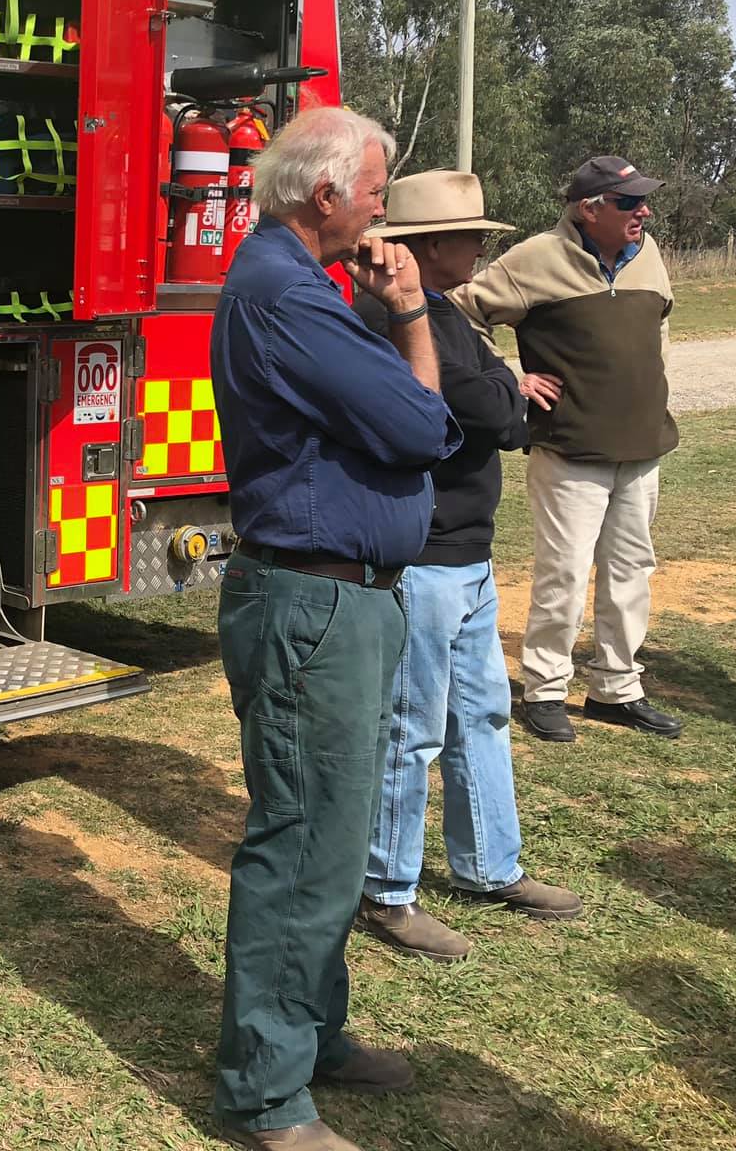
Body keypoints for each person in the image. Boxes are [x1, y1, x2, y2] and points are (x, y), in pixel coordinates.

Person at [210, 107, 462, 1151]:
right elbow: (421, 427)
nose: (380, 206)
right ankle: (266, 1095)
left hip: (332, 599)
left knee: (328, 840)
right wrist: (408, 320)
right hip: (314, 606)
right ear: (324, 199)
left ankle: (311, 1038)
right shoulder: (281, 292)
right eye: (373, 188)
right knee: (303, 845)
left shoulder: (295, 285)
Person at [349, 171, 583, 962]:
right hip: (425, 557)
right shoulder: (396, 315)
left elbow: (493, 401)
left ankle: (490, 868)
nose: (484, 248)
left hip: (467, 555)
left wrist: (502, 394)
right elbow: (488, 410)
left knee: (480, 714)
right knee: (411, 728)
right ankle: (387, 892)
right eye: (471, 236)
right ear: (425, 245)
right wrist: (509, 394)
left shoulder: (445, 312)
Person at [448, 155, 683, 743]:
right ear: (590, 208)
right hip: (570, 449)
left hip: (641, 445)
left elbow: (658, 331)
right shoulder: (534, 259)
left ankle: (616, 689)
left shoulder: (649, 254)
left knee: (632, 572)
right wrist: (508, 379)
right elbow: (458, 313)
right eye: (630, 203)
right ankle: (545, 689)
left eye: (643, 201)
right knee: (566, 571)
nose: (644, 212)